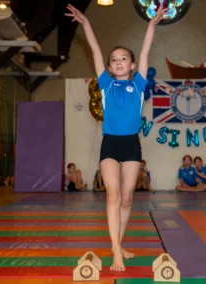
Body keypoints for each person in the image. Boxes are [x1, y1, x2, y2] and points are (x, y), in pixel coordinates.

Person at [65, 4, 168, 272]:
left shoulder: (139, 84)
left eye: (123, 58)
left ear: (132, 65)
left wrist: (151, 26)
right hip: (110, 143)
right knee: (112, 194)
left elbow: (145, 51)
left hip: (132, 144)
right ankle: (116, 253)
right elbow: (95, 51)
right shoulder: (107, 84)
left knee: (126, 198)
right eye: (114, 60)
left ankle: (119, 244)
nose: (118, 61)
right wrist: (86, 24)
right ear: (109, 68)